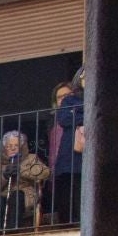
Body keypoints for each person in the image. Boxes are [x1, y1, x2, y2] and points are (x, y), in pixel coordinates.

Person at [0, 130, 49, 233]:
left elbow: (45, 172)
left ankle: (11, 231)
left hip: (24, 194)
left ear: (21, 147)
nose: (13, 148)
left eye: (16, 145)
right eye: (9, 146)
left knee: (16, 196)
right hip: (2, 195)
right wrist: (3, 176)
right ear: (4, 149)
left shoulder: (31, 159)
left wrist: (21, 171)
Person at [50, 67, 85, 225]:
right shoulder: (69, 101)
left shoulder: (93, 97)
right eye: (83, 76)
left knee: (81, 194)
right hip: (68, 159)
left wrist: (77, 114)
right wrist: (85, 116)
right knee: (67, 195)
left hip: (85, 159)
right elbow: (64, 119)